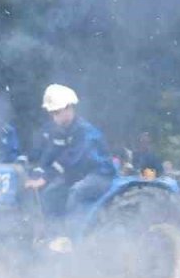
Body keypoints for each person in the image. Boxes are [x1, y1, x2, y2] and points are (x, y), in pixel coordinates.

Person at [25, 84, 117, 219]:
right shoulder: (60, 132)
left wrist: (45, 178)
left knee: (76, 192)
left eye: (57, 112)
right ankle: (52, 229)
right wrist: (37, 175)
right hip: (79, 174)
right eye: (52, 113)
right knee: (51, 192)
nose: (54, 117)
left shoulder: (84, 131)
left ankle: (72, 231)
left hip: (99, 175)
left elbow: (72, 159)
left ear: (69, 108)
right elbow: (49, 156)